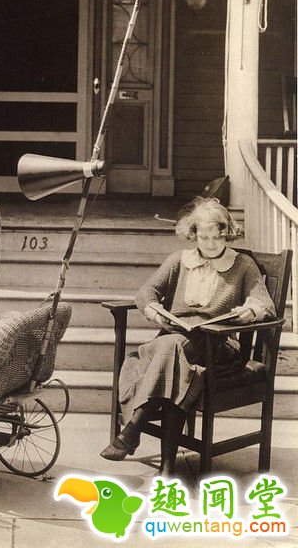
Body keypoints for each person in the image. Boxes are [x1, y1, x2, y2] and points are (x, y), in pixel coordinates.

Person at [100, 197, 276, 461]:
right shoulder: (179, 260)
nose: (211, 244)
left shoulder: (242, 264)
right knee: (177, 359)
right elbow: (146, 292)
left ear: (227, 232)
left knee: (171, 348)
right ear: (194, 235)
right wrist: (157, 315)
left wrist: (249, 311)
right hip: (175, 341)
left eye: (217, 237)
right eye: (204, 238)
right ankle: (167, 467)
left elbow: (265, 304)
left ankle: (134, 428)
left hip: (217, 346)